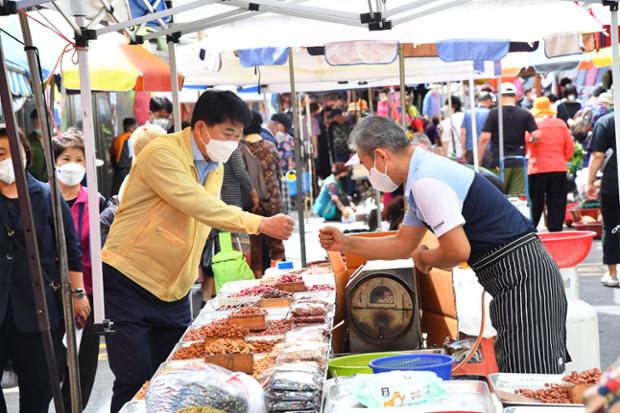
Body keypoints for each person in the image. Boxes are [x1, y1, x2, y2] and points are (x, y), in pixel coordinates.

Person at [320, 116, 569, 374]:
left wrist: (427, 259)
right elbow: (403, 244)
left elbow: (457, 251)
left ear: (381, 156)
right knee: (518, 370)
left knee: (531, 378)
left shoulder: (426, 180)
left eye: (365, 164)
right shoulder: (420, 176)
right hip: (516, 280)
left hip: (524, 280)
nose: (368, 173)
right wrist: (346, 242)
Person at [101, 91, 294, 412]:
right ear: (202, 128)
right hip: (129, 277)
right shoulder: (162, 154)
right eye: (228, 134)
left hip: (175, 285)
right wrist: (260, 224)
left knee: (175, 378)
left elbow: (209, 212)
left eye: (237, 135)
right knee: (134, 381)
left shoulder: (214, 163)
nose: (233, 143)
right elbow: (200, 205)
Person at [0, 126, 87, 412]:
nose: (9, 159)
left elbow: (71, 251)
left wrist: (78, 293)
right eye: (1, 154)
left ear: (26, 154)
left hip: (38, 310)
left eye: (15, 152)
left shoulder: (47, 196)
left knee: (39, 386)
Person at [52, 129, 112, 411]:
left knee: (85, 367)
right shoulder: (41, 199)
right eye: (66, 158)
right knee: (53, 365)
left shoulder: (97, 201)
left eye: (79, 159)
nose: (72, 165)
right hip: (50, 294)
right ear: (55, 162)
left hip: (88, 295)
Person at [242, 111, 286, 277]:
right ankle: (281, 277)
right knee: (276, 245)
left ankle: (258, 283)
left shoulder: (240, 148)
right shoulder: (270, 146)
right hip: (273, 200)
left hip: (252, 204)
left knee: (255, 249)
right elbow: (278, 173)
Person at [479, 82, 541, 195]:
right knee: (517, 198)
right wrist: (530, 142)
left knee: (498, 197)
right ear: (515, 96)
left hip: (499, 161)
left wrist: (478, 160)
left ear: (500, 96)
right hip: (519, 161)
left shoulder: (494, 114)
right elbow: (536, 135)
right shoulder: (525, 113)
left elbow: (485, 138)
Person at [527, 97, 575, 232]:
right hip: (558, 167)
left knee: (536, 201)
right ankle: (556, 229)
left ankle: (531, 228)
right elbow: (569, 147)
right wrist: (562, 158)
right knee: (557, 200)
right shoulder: (560, 124)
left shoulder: (533, 125)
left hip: (537, 168)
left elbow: (526, 144)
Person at [586, 112, 620, 287]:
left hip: (613, 184)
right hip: (612, 182)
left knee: (612, 226)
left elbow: (598, 156)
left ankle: (613, 274)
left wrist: (589, 182)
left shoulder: (605, 121)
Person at [270, 113, 295, 213]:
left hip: (283, 169)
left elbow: (289, 156)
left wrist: (290, 169)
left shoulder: (285, 138)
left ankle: (284, 209)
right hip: (281, 168)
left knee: (284, 189)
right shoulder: (282, 137)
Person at [461, 92, 493, 164]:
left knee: (474, 173)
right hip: (486, 149)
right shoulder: (490, 113)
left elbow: (463, 133)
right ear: (488, 100)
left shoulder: (468, 113)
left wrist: (463, 150)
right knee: (486, 174)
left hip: (470, 149)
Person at [110, 117, 137, 195]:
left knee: (118, 191)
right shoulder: (133, 138)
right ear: (133, 126)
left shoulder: (118, 139)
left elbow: (112, 155)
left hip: (119, 170)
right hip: (129, 169)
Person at [26, 109, 48, 182]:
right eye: (34, 123)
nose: (36, 127)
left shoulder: (54, 140)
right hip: (33, 181)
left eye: (38, 124)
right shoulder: (27, 140)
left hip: (51, 182)